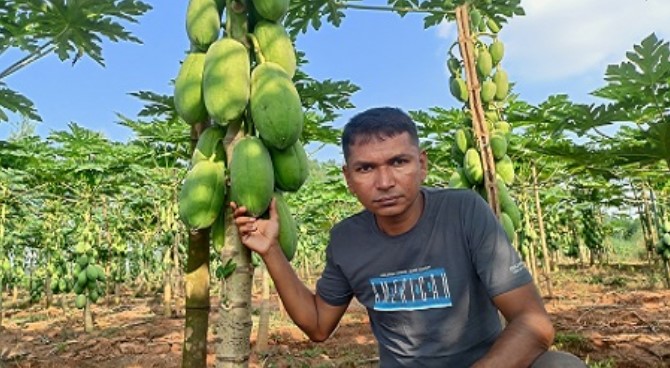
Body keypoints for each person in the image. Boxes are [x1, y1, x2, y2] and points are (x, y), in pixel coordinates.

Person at [231, 107, 586, 367]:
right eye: (366, 168)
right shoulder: (346, 239)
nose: (384, 182)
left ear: (422, 164)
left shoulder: (464, 212)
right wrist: (271, 251)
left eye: (398, 162)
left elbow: (534, 323)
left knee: (561, 366)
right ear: (348, 177)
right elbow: (318, 326)